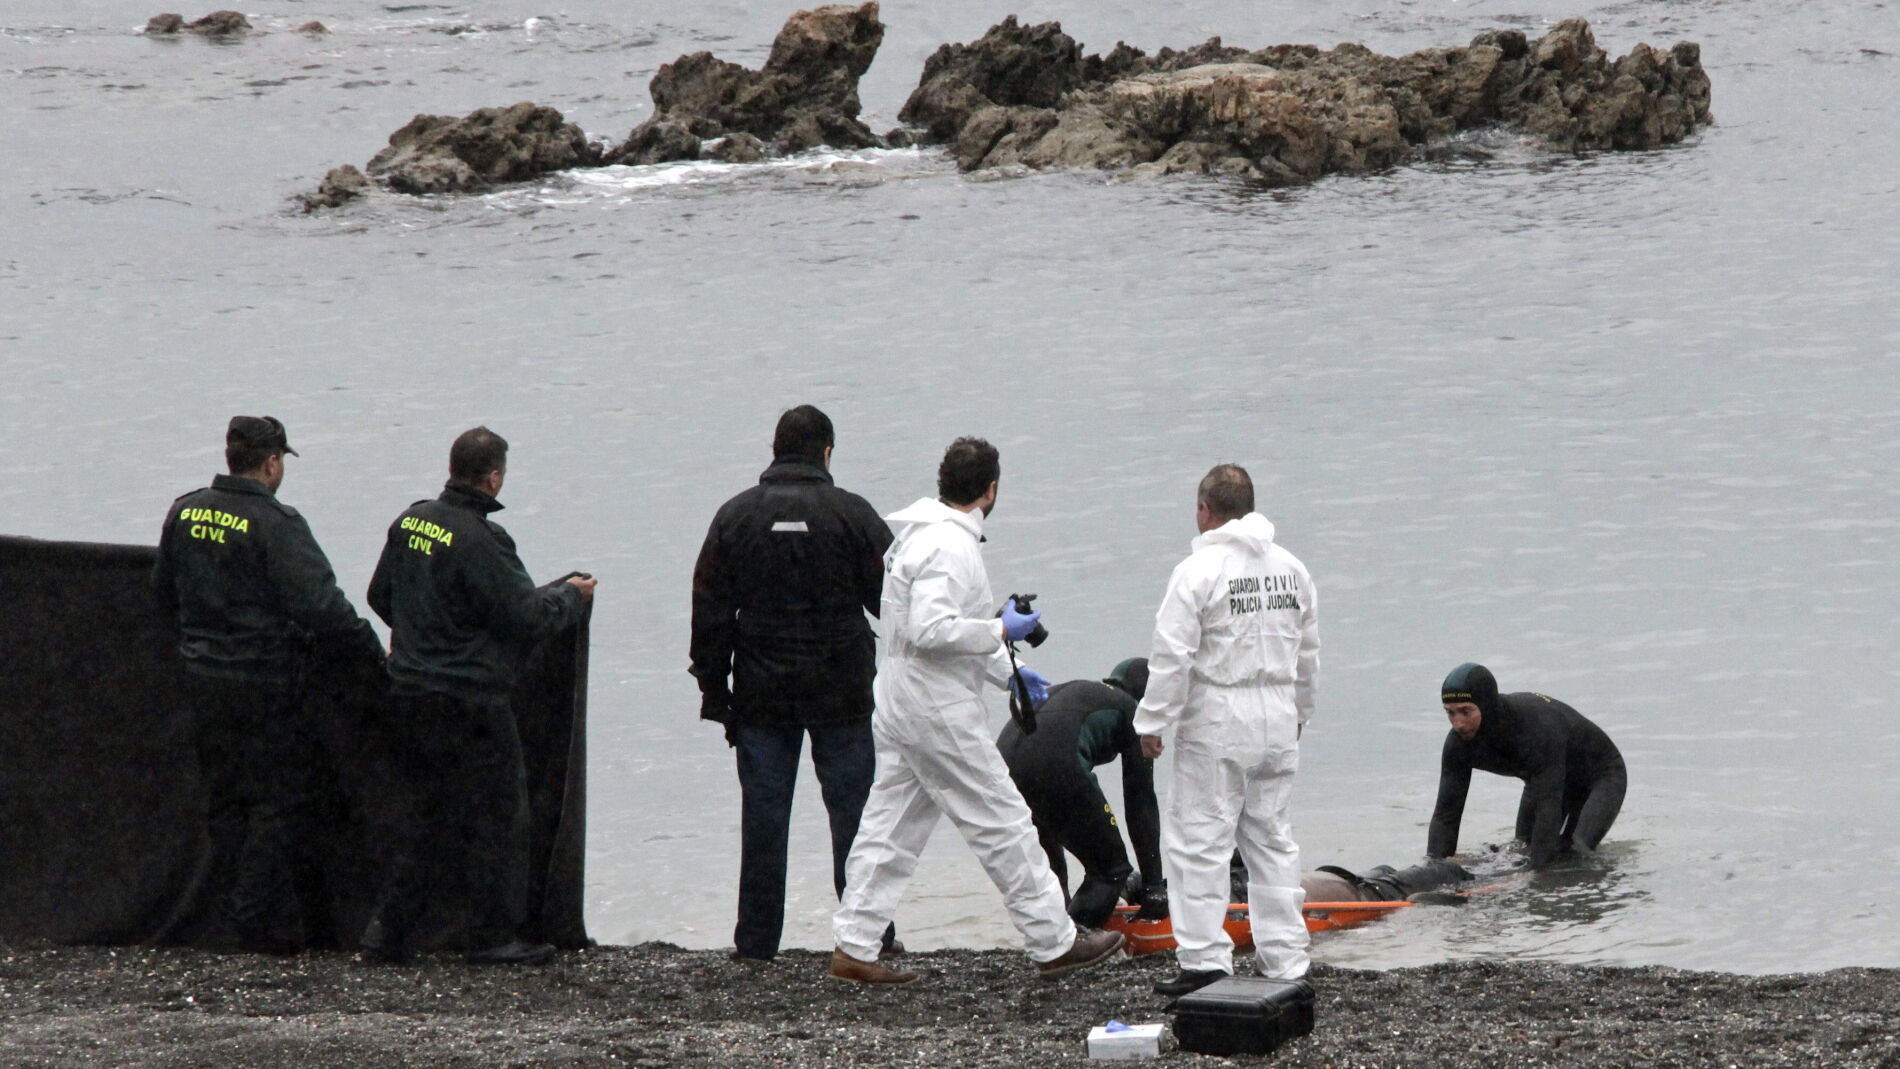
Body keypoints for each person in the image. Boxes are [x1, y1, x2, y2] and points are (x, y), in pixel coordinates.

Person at [829, 437, 1125, 984]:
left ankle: (855, 942)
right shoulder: (950, 547)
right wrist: (999, 629)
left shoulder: (920, 535)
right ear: (991, 489)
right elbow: (931, 629)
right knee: (1003, 820)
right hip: (934, 708)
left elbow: (920, 634)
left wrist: (1005, 670)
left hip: (899, 697)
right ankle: (1054, 941)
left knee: (891, 823)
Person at [360, 426, 597, 966]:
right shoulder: (482, 540)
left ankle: (387, 933)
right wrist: (570, 597)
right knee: (498, 814)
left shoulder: (411, 521)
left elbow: (380, 595)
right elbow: (526, 617)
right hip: (469, 702)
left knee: (427, 815)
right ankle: (491, 936)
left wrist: (426, 636)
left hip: (409, 691)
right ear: (493, 478)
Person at [152, 416, 384, 954]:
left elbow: (163, 592)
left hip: (202, 678)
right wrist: (374, 658)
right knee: (277, 803)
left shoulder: (185, 510)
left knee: (226, 800)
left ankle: (230, 914)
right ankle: (256, 923)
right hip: (263, 681)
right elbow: (322, 608)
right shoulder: (277, 523)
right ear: (273, 462)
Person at [690, 405, 896, 963]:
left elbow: (709, 609)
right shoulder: (852, 514)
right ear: (826, 452)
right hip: (843, 692)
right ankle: (869, 938)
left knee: (764, 818)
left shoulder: (735, 517)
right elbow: (894, 607)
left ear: (776, 449)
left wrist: (714, 691)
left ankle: (756, 945)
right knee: (855, 817)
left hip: (761, 694)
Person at [1134, 463, 1319, 998]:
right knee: (1272, 838)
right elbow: (1309, 651)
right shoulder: (1292, 569)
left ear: (1204, 510)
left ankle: (1205, 960)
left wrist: (1152, 721)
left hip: (1219, 713)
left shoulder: (1198, 572)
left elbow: (1173, 655)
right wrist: (1302, 710)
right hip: (1278, 710)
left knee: (1199, 841)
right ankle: (1286, 957)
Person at [997, 657, 1165, 929]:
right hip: (1056, 762)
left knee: (1048, 871)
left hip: (1004, 765)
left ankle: (1052, 936)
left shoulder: (1088, 693)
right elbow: (1140, 801)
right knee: (1111, 871)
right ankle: (1072, 941)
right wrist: (1154, 886)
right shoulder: (1135, 711)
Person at [1429, 662, 1626, 868]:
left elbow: (1547, 807)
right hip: (1541, 779)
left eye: (1465, 711)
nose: (1458, 723)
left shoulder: (1535, 730)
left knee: (1572, 854)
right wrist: (1434, 868)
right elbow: (1446, 815)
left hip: (1600, 777)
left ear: (1487, 706)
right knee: (1520, 850)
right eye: (1450, 713)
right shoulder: (1458, 745)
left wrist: (1533, 875)